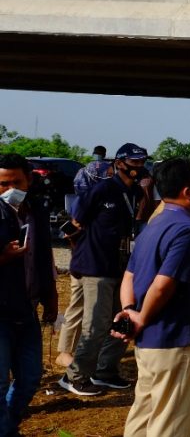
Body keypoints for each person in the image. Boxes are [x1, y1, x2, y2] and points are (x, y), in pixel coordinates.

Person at [114, 159, 190, 437]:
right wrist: (142, 318)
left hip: (147, 341)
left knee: (144, 411)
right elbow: (163, 284)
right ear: (188, 192)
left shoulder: (152, 225)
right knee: (170, 420)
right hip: (173, 337)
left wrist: (130, 312)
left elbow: (129, 277)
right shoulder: (189, 230)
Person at [60, 142, 148, 397]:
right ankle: (75, 376)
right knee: (96, 324)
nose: (138, 167)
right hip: (95, 265)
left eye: (142, 162)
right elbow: (76, 223)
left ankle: (105, 371)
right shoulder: (102, 190)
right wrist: (80, 258)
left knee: (122, 320)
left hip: (119, 265)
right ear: (118, 163)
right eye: (133, 162)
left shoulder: (135, 193)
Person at [0, 153, 58, 437]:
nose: (9, 189)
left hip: (26, 308)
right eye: (2, 183)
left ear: (29, 180)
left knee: (30, 377)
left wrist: (51, 296)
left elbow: (44, 255)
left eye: (16, 182)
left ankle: (7, 426)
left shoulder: (35, 209)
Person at [59, 145, 115, 367]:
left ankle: (69, 350)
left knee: (82, 305)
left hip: (88, 257)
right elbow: (74, 227)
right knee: (80, 304)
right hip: (86, 259)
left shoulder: (86, 173)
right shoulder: (93, 194)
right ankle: (67, 351)